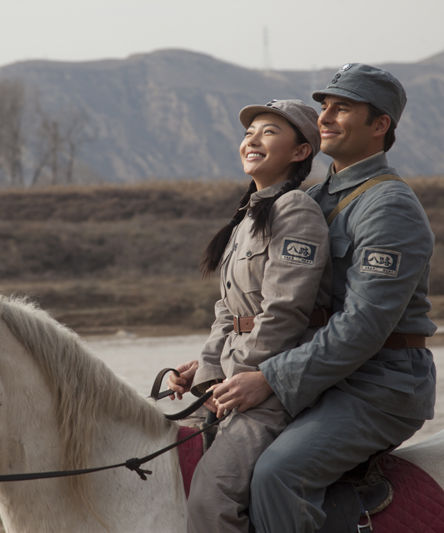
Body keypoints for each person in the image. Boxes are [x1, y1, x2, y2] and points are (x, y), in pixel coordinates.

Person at [175, 63, 437, 532]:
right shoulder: (313, 198)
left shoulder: (389, 206)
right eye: (325, 107)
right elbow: (264, 302)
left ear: (380, 126)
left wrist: (270, 378)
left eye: (344, 109)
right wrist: (211, 361)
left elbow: (363, 326)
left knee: (279, 474)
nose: (327, 116)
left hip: (378, 385)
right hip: (322, 378)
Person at [167, 99, 333, 533]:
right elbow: (229, 312)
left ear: (300, 152)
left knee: (210, 497)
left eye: (269, 132)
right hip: (236, 379)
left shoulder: (295, 210)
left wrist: (239, 378)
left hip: (270, 386)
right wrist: (205, 374)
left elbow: (285, 312)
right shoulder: (247, 218)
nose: (252, 140)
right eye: (248, 133)